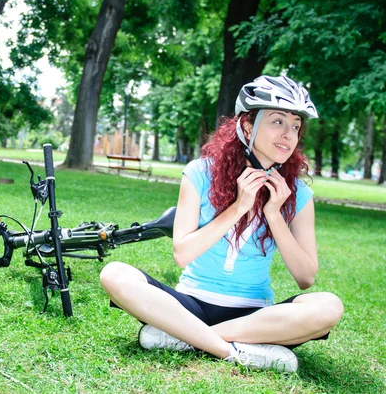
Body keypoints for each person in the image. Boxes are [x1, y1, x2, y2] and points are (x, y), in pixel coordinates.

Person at [100, 75, 344, 373]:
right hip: (191, 304)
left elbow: (306, 277)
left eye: (295, 126)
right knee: (115, 274)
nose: (288, 134)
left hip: (255, 318)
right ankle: (231, 351)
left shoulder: (299, 193)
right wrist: (239, 207)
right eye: (277, 121)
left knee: (329, 306)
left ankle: (184, 336)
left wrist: (274, 214)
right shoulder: (199, 173)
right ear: (246, 125)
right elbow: (182, 254)